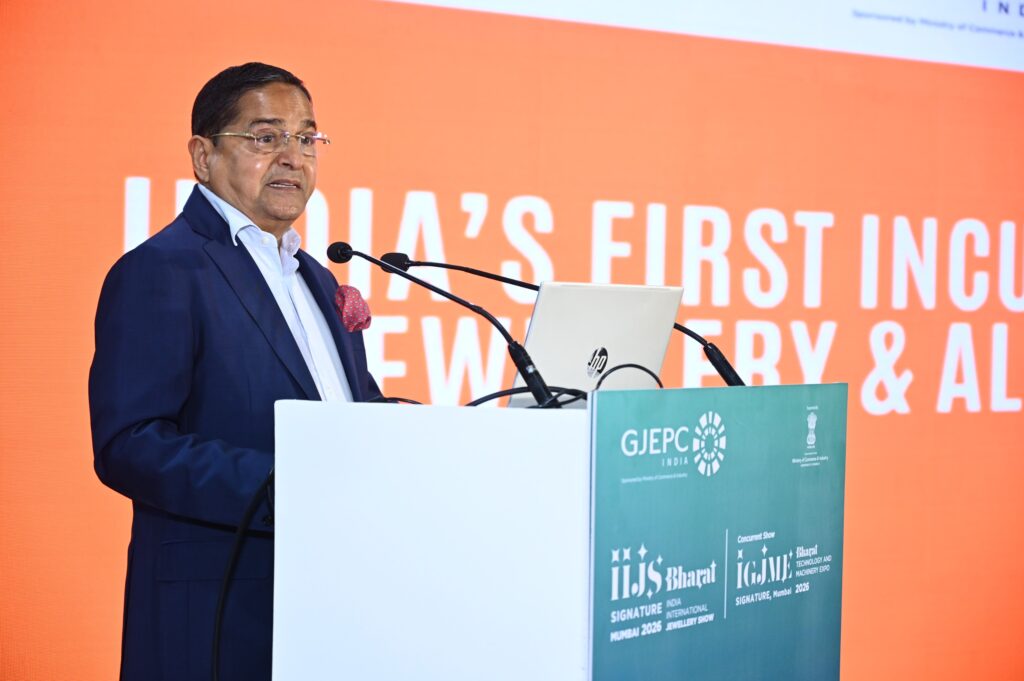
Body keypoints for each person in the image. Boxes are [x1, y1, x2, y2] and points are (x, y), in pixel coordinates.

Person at [89, 62, 380, 681]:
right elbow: (129, 444)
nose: (292, 157)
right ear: (203, 156)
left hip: (335, 602)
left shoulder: (316, 277)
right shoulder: (162, 270)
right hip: (218, 613)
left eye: (307, 138)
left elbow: (356, 418)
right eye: (265, 137)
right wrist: (288, 485)